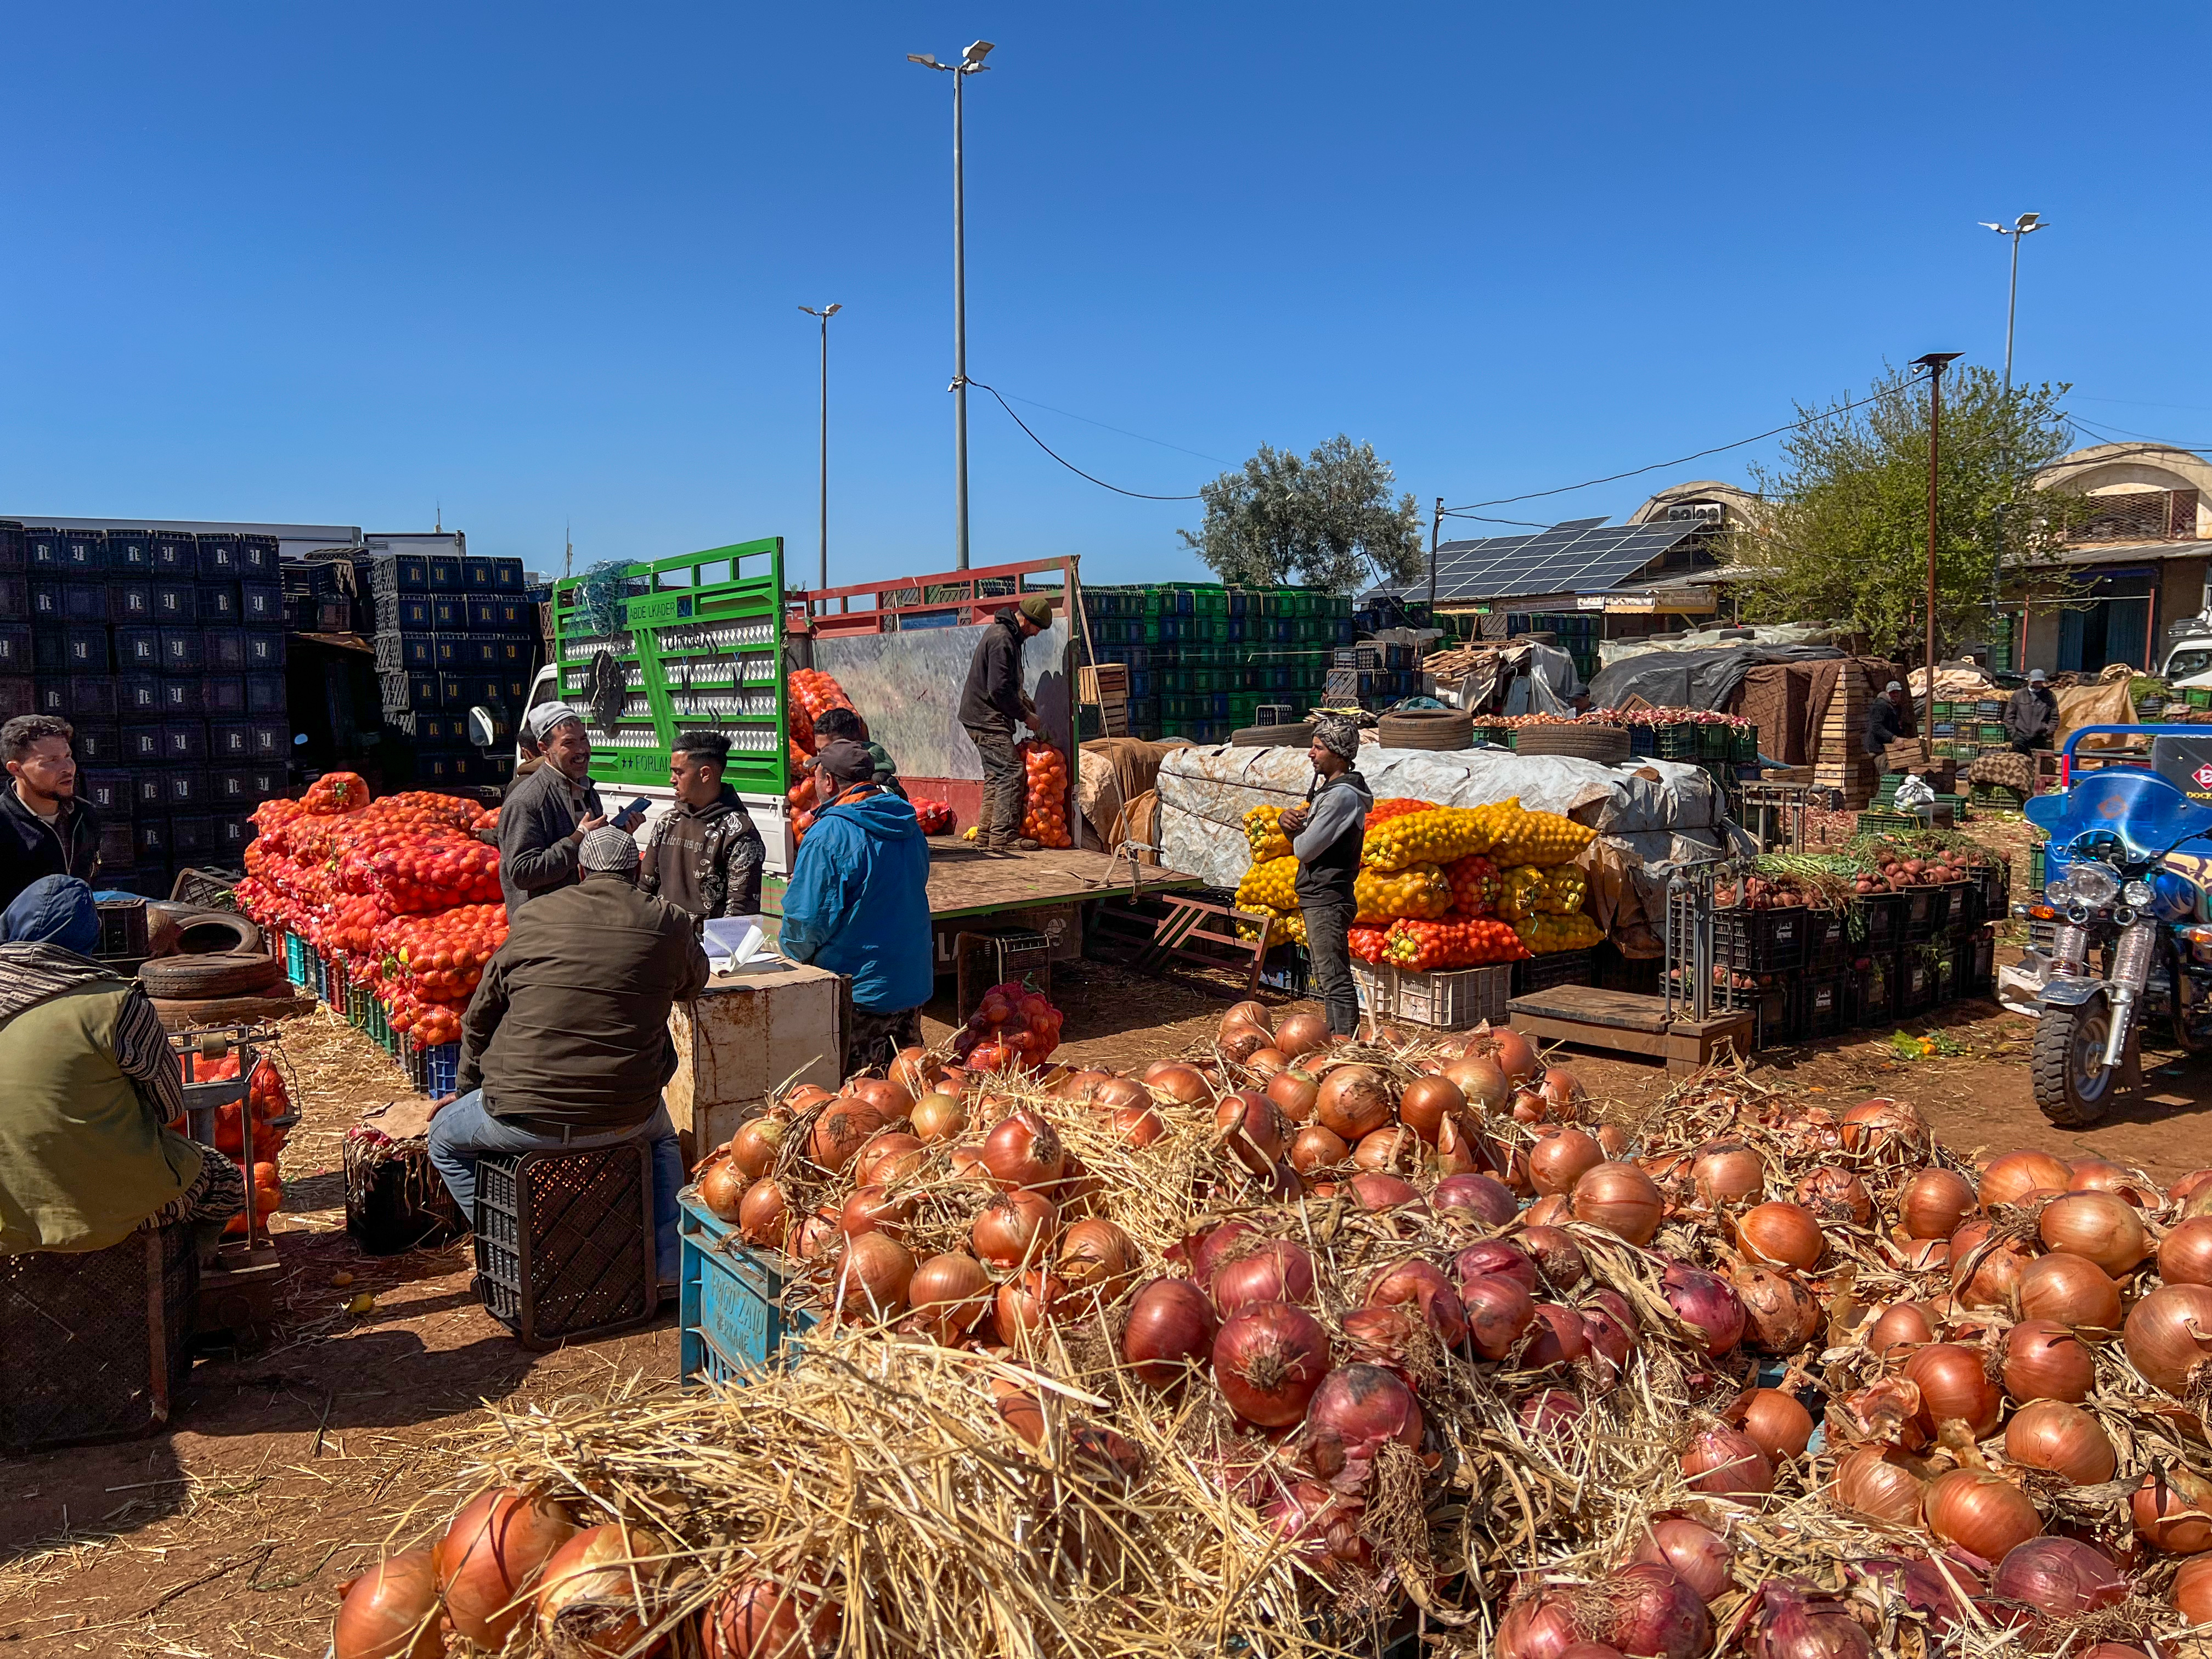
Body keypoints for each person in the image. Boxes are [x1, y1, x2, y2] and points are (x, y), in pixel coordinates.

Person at [428, 828, 709, 1286]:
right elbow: (694, 984)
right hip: (627, 1115)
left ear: (580, 871)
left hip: (521, 1119)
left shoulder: (534, 916)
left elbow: (479, 1017)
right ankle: (667, 1268)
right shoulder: (669, 921)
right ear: (636, 871)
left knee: (443, 1136)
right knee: (663, 1137)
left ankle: (515, 1261)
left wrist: (467, 1091)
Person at [0, 876, 244, 1258]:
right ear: (90, 937)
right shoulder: (117, 1005)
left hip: (6, 1222)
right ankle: (189, 1273)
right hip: (102, 1213)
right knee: (225, 1181)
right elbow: (170, 1108)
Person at [778, 740, 933, 1078]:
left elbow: (807, 920)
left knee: (860, 1097)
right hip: (909, 982)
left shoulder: (829, 834)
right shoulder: (908, 824)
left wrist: (791, 958)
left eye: (817, 775)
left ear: (829, 781)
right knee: (908, 1088)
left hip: (859, 992)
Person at [1277, 715, 1373, 1040]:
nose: (1311, 753)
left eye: (1318, 747)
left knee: (1334, 978)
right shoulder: (1330, 792)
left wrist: (1290, 830)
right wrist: (1289, 819)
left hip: (1328, 897)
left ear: (1338, 753)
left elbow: (1305, 849)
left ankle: (1346, 1044)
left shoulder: (1341, 796)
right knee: (1325, 974)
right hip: (1320, 896)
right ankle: (1338, 1039)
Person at [498, 703, 638, 918]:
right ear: (544, 748)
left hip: (585, 916)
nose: (582, 750)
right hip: (545, 925)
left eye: (584, 740)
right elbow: (523, 873)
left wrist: (617, 835)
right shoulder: (526, 801)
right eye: (569, 743)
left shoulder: (586, 789)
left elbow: (591, 858)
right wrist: (578, 838)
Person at [641, 729, 766, 919]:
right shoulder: (667, 822)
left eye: (679, 772)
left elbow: (740, 912)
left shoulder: (739, 831)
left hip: (710, 939)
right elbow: (645, 889)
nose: (672, 780)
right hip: (663, 935)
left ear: (705, 774)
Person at [959, 594, 1051, 853]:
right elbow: (998, 689)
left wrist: (1023, 699)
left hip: (980, 716)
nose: (1037, 634)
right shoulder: (1003, 639)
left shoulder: (1007, 635)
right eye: (1037, 629)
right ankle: (1004, 836)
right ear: (1027, 621)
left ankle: (987, 834)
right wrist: (1026, 716)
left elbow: (1005, 682)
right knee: (1011, 772)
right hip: (986, 719)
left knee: (996, 775)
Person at [0, 715, 100, 916]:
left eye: (68, 756)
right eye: (51, 761)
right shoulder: (4, 823)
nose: (67, 768)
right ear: (16, 769)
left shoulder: (85, 815)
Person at [810, 707, 907, 800]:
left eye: (827, 750)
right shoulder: (833, 777)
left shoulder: (876, 784)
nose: (821, 758)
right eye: (819, 750)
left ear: (853, 744)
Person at [2005, 669, 2061, 755]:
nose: (2037, 684)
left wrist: (2048, 732)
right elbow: (2009, 716)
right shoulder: (2019, 695)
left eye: (2040, 682)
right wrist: (2014, 734)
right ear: (2029, 680)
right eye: (2035, 682)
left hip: (2040, 738)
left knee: (2040, 763)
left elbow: (2055, 717)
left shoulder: (2049, 696)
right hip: (2021, 738)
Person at [1864, 681, 1914, 761]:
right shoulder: (1880, 705)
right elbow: (1876, 726)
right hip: (1878, 750)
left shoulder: (1895, 707)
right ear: (1887, 694)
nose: (1895, 695)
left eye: (1897, 692)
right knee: (1891, 769)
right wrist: (1894, 739)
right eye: (1892, 693)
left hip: (1888, 749)